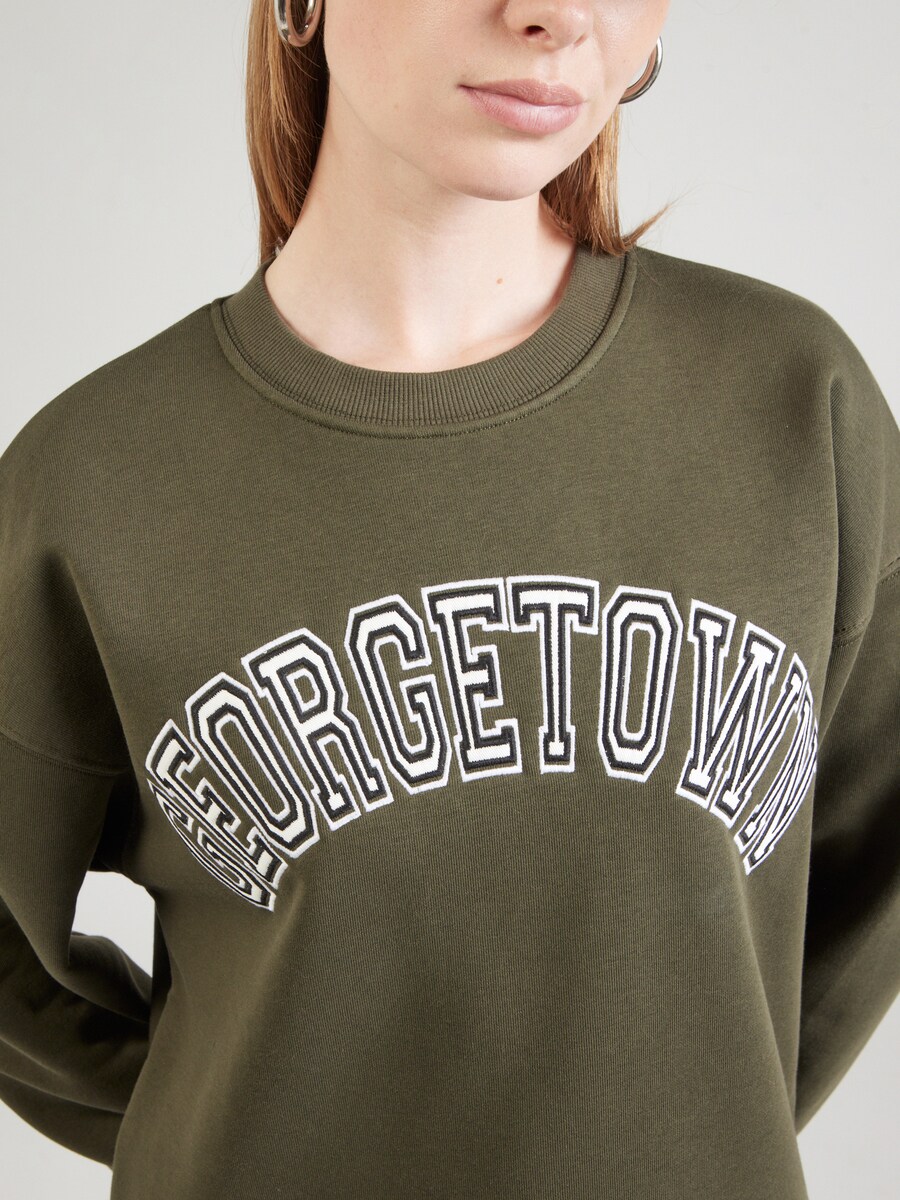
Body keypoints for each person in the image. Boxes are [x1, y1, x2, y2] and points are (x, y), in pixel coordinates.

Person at [0, 2, 897, 1197]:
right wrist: (220, 1110)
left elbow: (872, 864)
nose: (554, 15)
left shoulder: (792, 405)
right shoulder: (97, 482)